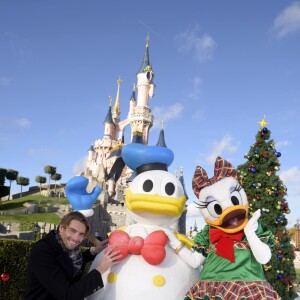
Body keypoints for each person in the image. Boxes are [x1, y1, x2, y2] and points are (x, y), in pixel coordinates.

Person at [24, 211, 121, 300]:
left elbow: (68, 262)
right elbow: (68, 295)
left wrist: (94, 251)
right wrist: (100, 269)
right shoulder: (42, 250)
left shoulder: (68, 249)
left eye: (81, 234)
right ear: (62, 228)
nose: (76, 238)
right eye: (72, 231)